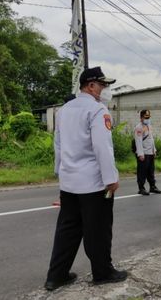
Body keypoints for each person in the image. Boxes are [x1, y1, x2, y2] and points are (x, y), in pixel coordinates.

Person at [44, 66, 128, 291]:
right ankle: (102, 272)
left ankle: (56, 276)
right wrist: (111, 178)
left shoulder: (64, 110)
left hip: (69, 183)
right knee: (98, 230)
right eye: (102, 85)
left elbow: (58, 146)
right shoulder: (97, 110)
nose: (105, 90)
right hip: (93, 184)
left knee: (67, 230)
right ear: (91, 86)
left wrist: (60, 172)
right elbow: (102, 147)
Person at [134, 109, 161, 196]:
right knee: (142, 172)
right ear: (141, 118)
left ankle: (152, 187)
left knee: (151, 171)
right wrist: (140, 154)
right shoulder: (139, 127)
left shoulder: (149, 125)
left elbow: (151, 139)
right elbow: (138, 141)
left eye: (148, 117)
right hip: (143, 153)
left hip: (150, 152)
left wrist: (154, 150)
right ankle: (141, 188)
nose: (147, 119)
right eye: (146, 117)